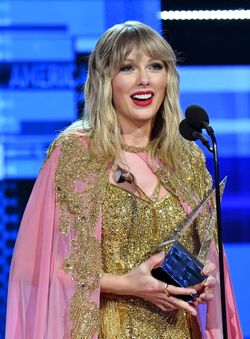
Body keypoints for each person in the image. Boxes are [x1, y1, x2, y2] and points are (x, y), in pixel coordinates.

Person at [6, 21, 242, 339]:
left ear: (168, 78)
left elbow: (206, 256)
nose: (144, 79)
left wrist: (204, 280)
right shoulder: (76, 152)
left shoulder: (187, 156)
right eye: (128, 68)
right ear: (106, 80)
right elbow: (33, 269)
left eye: (155, 66)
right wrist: (125, 284)